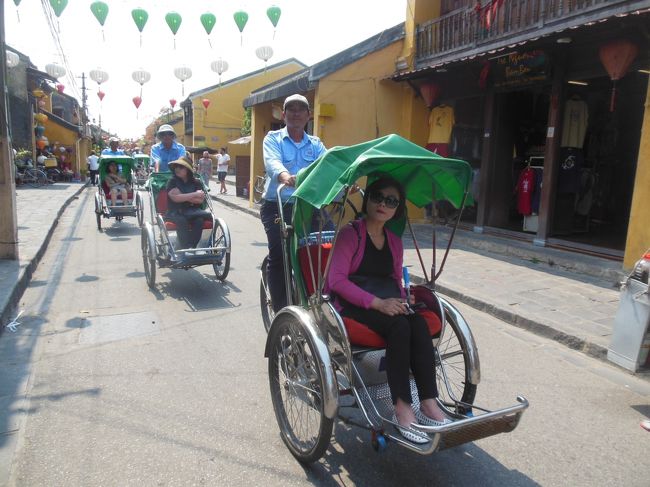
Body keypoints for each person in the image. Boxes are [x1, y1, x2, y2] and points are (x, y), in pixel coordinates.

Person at [326, 176, 449, 445]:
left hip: (386, 301)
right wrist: (377, 303)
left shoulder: (393, 240)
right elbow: (335, 281)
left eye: (391, 201)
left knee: (416, 323)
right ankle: (403, 408)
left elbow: (395, 279)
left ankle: (428, 402)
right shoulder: (350, 234)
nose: (383, 204)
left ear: (398, 209)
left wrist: (403, 299)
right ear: (367, 199)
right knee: (400, 326)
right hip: (353, 303)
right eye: (377, 197)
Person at [262, 93, 326, 311]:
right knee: (281, 256)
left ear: (308, 115)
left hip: (309, 205)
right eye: (291, 109)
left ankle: (321, 301)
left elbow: (328, 166)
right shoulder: (273, 138)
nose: (296, 113)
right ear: (284, 114)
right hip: (278, 204)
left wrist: (344, 182)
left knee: (328, 247)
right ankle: (281, 312)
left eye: (301, 109)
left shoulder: (316, 144)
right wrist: (284, 176)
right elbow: (273, 162)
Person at [166, 156, 211, 249]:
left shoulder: (196, 182)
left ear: (188, 170)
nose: (177, 169)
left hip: (193, 211)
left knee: (199, 221)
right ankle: (184, 247)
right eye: (176, 166)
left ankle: (192, 247)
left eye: (181, 167)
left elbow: (200, 200)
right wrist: (194, 194)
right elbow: (174, 198)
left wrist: (182, 196)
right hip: (176, 211)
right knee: (182, 221)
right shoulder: (172, 181)